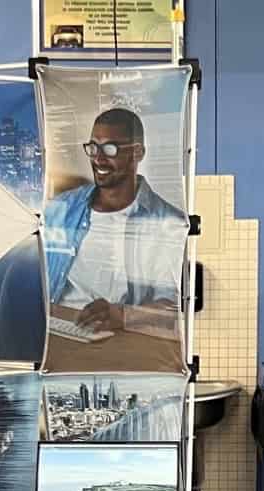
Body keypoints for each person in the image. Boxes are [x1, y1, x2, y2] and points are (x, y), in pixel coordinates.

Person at [43, 107, 187, 333]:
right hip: (58, 337)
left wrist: (123, 316)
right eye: (93, 148)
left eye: (110, 149)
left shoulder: (167, 223)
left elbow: (172, 309)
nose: (98, 159)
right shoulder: (60, 209)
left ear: (137, 153)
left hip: (120, 343)